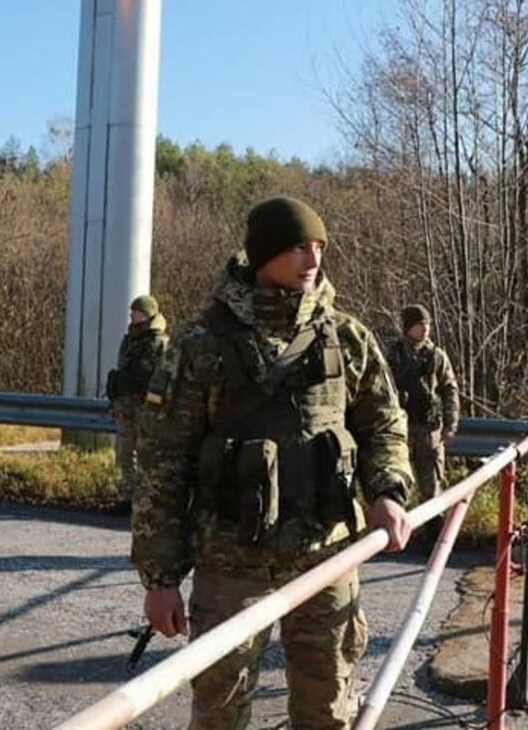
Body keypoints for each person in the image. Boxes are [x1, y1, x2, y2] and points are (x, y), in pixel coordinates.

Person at [132, 196, 414, 730]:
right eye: (297, 247)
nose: (313, 260)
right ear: (262, 255)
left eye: (319, 247)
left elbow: (384, 425)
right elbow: (164, 464)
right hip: (231, 559)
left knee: (327, 707)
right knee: (220, 708)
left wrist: (388, 491)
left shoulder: (346, 336)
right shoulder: (202, 344)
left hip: (326, 554)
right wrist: (161, 577)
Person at [385, 304, 460, 534]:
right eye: (420, 325)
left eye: (427, 324)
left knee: (432, 488)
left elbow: (449, 389)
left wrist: (450, 423)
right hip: (401, 430)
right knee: (398, 483)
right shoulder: (394, 355)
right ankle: (398, 533)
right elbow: (381, 389)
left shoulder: (436, 356)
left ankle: (434, 537)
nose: (425, 329)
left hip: (429, 430)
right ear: (408, 327)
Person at [107, 294, 169, 513]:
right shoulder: (130, 340)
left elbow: (162, 378)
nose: (133, 315)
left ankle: (145, 500)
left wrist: (154, 406)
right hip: (126, 406)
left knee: (145, 455)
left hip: (145, 408)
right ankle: (127, 496)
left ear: (148, 314)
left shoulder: (159, 342)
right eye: (133, 312)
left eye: (138, 312)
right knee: (124, 452)